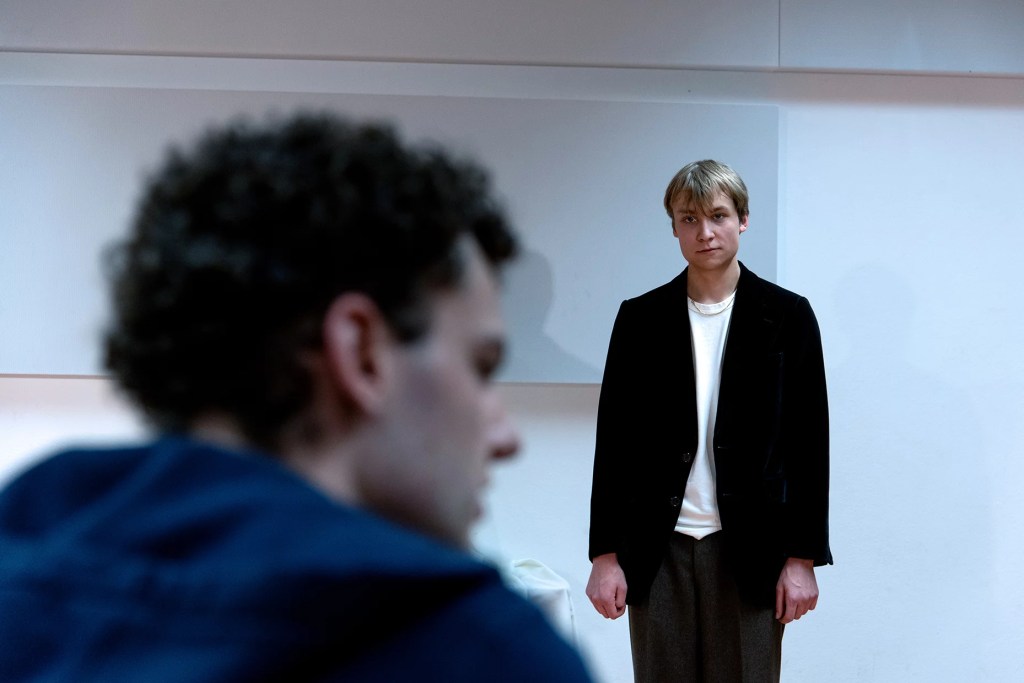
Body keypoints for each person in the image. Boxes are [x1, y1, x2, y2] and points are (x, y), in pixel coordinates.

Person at [0, 111, 595, 682]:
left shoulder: (25, 572)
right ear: (360, 353)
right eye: (480, 367)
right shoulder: (484, 654)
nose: (505, 437)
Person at [586, 159, 832, 682]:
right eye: (689, 219)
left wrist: (803, 558)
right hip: (658, 547)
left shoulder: (788, 317)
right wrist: (604, 555)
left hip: (751, 548)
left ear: (742, 219)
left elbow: (809, 444)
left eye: (718, 216)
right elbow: (614, 444)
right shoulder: (640, 319)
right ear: (674, 227)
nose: (705, 232)